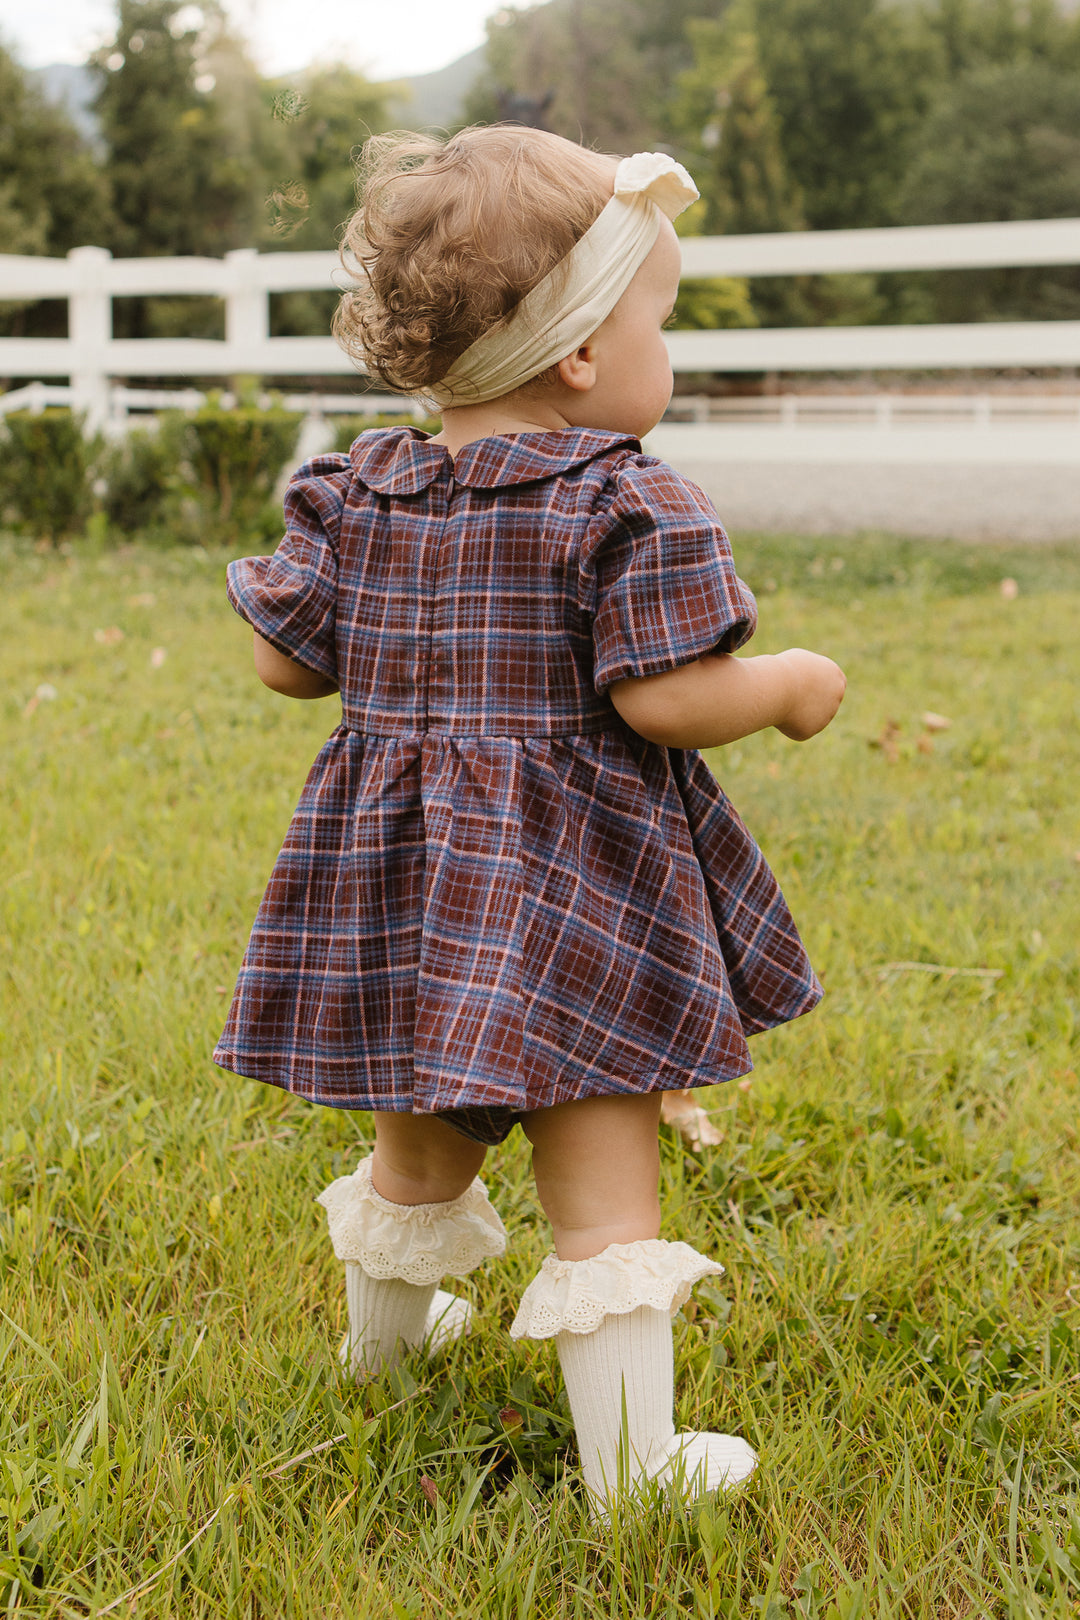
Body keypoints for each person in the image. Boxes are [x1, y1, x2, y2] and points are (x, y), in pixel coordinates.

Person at [214, 125, 846, 1521]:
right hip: (575, 899)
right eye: (658, 322)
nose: (664, 353)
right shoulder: (622, 498)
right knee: (600, 1162)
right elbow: (667, 697)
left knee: (419, 1137)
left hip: (407, 893)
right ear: (579, 357)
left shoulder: (360, 487)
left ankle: (379, 1354)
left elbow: (281, 661)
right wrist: (792, 684)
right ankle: (633, 1466)